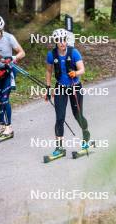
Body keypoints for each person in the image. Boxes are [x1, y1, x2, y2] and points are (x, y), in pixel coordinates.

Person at [46, 28, 90, 156]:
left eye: (64, 40)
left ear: (66, 40)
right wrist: (48, 88)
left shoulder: (74, 52)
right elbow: (49, 71)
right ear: (55, 41)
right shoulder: (51, 55)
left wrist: (75, 72)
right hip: (60, 87)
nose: (62, 43)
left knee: (78, 115)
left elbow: (82, 69)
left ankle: (86, 137)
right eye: (59, 40)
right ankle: (59, 148)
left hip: (75, 86)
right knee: (60, 118)